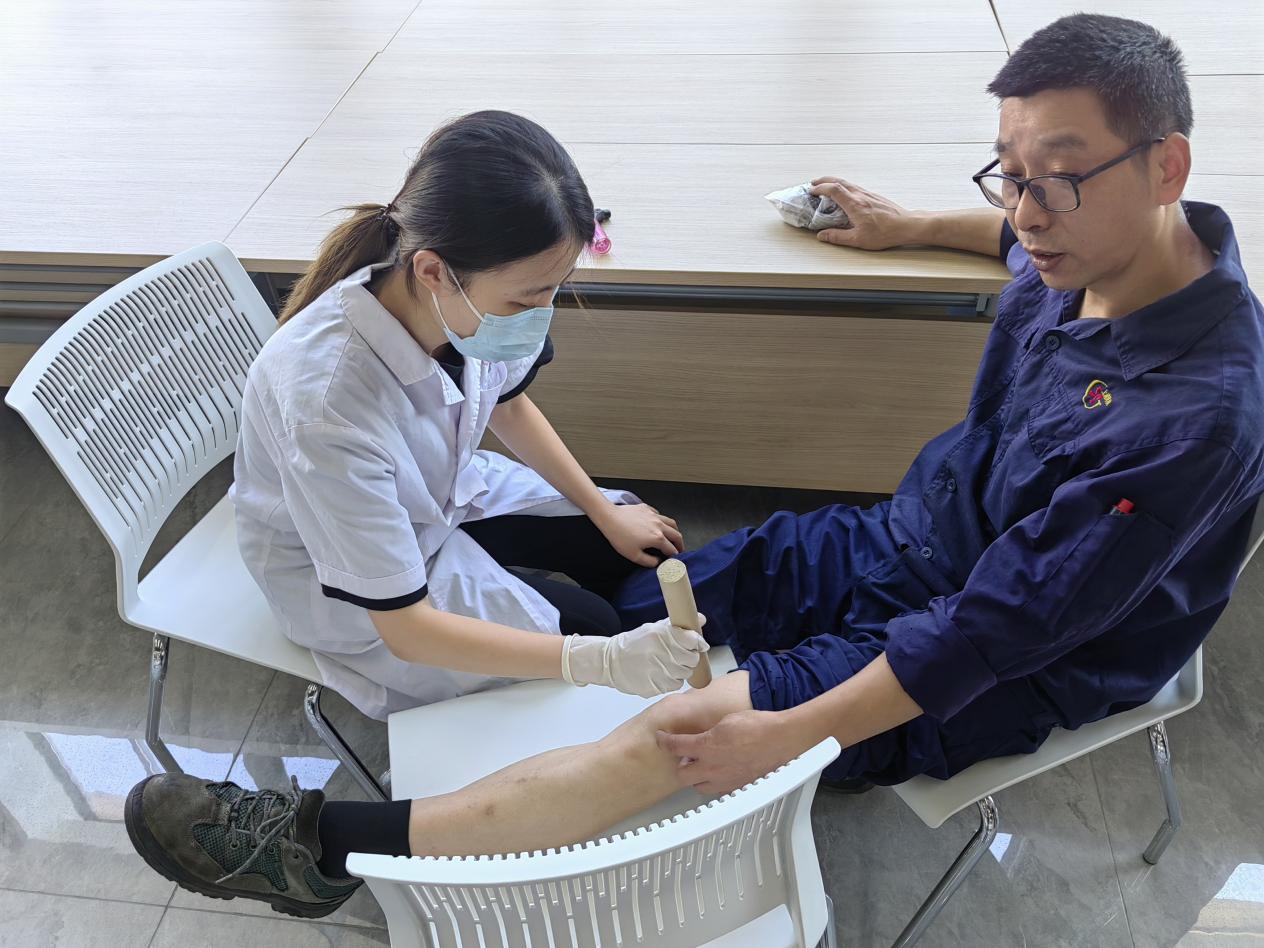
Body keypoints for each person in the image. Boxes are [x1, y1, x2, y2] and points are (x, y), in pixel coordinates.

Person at [125, 14, 1264, 919]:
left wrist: (795, 729)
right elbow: (1015, 241)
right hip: (909, 545)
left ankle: (317, 850)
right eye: (1006, 174)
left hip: (991, 653)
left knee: (681, 738)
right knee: (665, 597)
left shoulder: (1189, 421)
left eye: (1053, 180)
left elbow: (991, 635)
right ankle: (589, 749)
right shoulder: (1091, 243)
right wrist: (909, 224)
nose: (1025, 213)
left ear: (1165, 165)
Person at [227, 109, 708, 721]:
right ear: (433, 271)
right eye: (527, 297)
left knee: (639, 549)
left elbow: (508, 404)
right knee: (595, 626)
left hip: (439, 495)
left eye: (554, 289)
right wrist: (599, 660)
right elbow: (407, 629)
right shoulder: (328, 408)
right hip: (351, 581)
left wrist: (599, 510)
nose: (542, 313)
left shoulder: (460, 309)